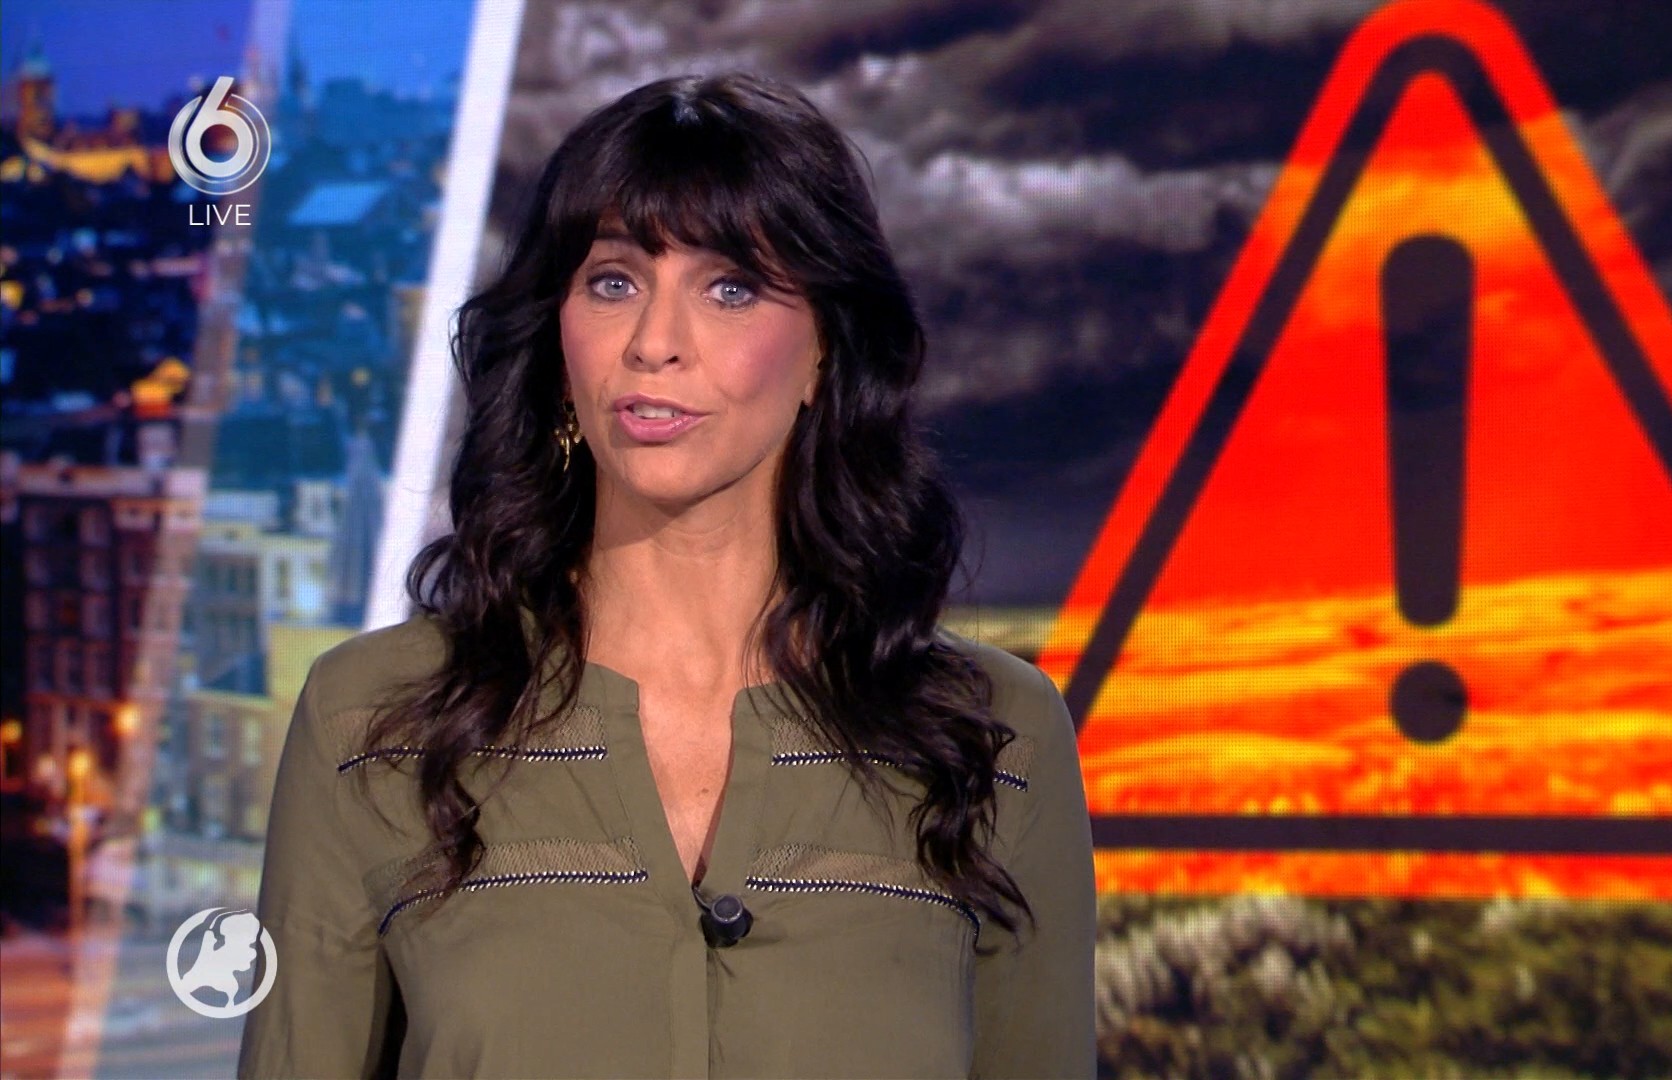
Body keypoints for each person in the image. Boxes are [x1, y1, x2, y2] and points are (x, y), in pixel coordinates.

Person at [234, 71, 1096, 1079]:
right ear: (558, 339)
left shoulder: (992, 741)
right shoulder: (375, 724)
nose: (654, 344)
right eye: (614, 282)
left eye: (730, 289)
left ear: (825, 350)